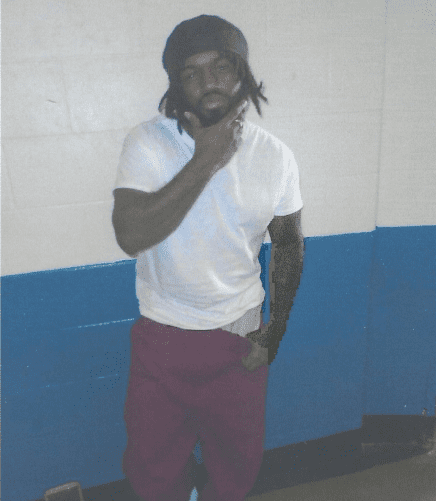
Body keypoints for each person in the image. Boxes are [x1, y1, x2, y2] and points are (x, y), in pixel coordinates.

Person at [112, 14, 304, 501]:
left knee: (235, 469)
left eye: (220, 67)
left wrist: (274, 333)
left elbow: (288, 244)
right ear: (176, 84)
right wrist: (206, 159)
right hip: (163, 334)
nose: (208, 82)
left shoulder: (275, 155)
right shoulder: (148, 143)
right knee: (153, 472)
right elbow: (130, 235)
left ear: (242, 72)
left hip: (240, 338)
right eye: (191, 72)